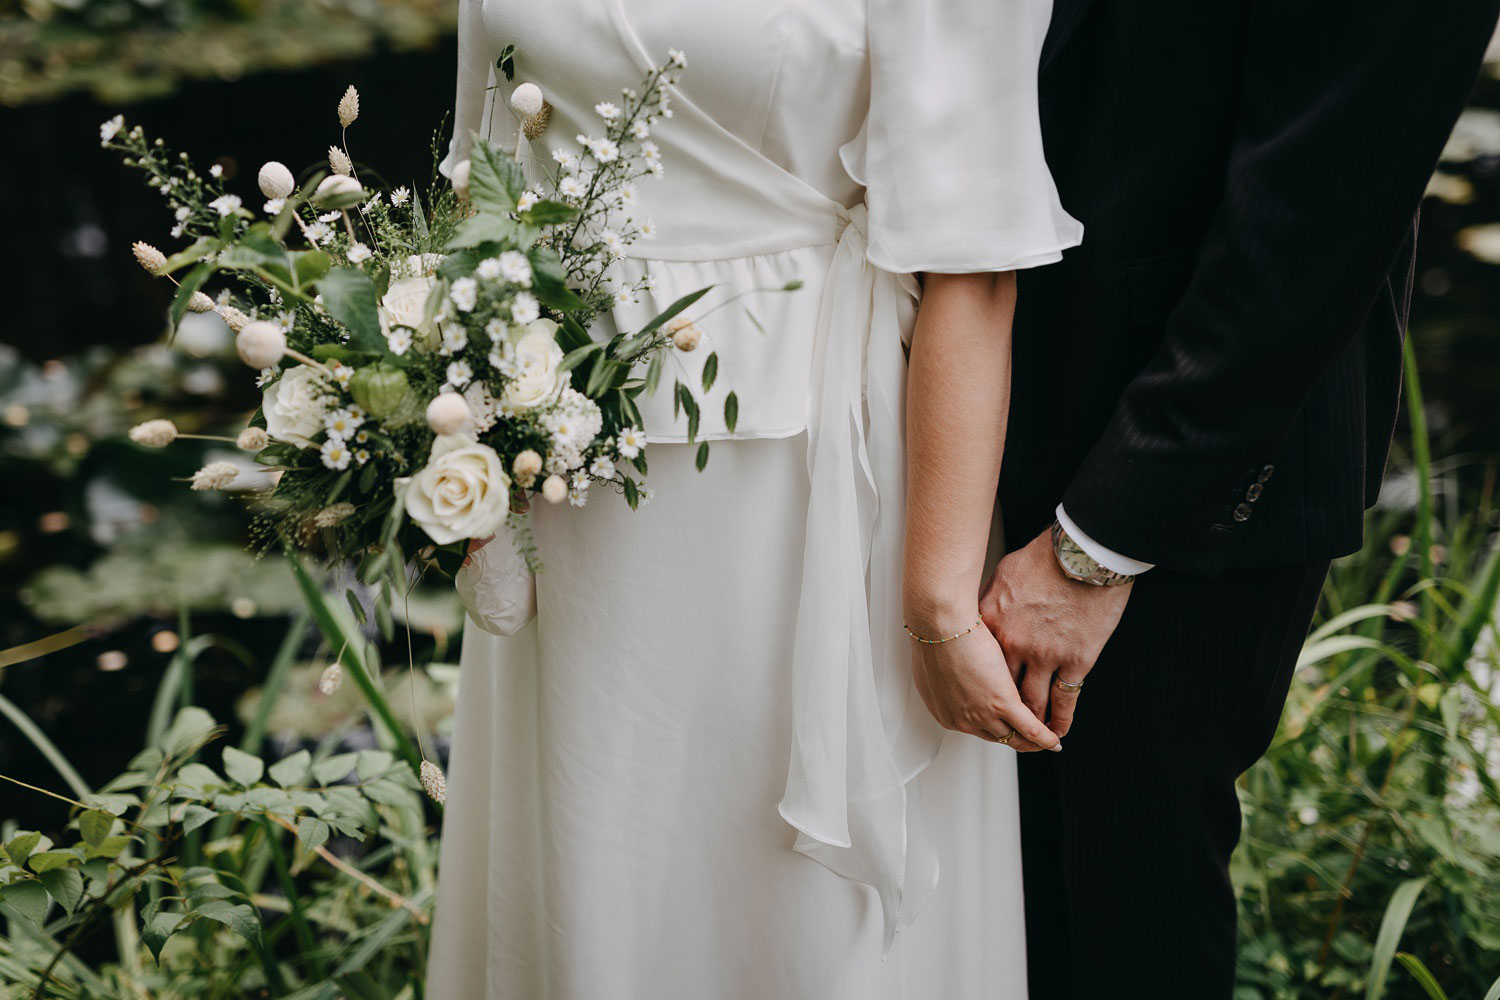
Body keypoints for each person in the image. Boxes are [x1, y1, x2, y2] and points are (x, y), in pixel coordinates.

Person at [425, 0, 1082, 997]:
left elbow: (974, 266)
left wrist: (939, 606)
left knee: (798, 920)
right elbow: (485, 181)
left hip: (812, 488)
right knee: (597, 877)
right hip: (568, 491)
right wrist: (463, 448)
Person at [986, 1, 1500, 996]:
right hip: (968, 401)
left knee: (1112, 920)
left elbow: (1329, 192)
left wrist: (1101, 540)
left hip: (1161, 470)